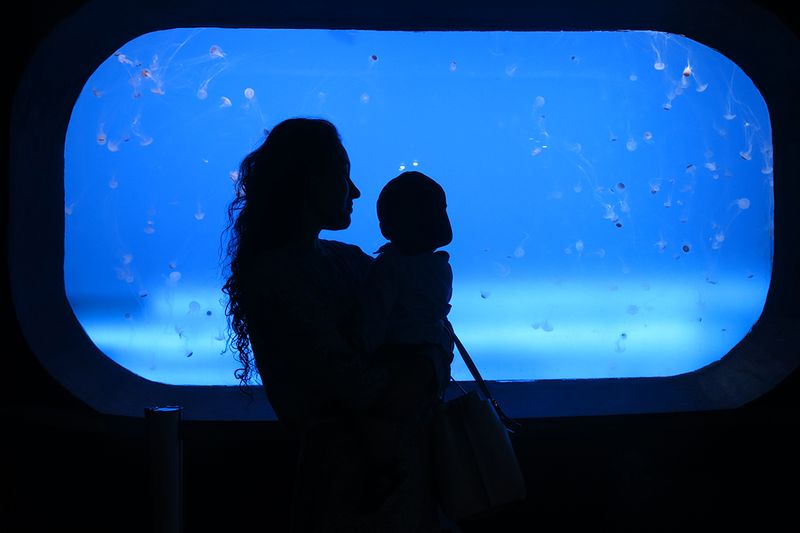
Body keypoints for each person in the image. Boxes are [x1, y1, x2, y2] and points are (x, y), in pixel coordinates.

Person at [221, 117, 456, 531]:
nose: (356, 192)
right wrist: (428, 362)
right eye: (343, 175)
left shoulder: (345, 259)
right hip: (350, 493)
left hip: (387, 477)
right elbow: (366, 388)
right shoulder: (279, 277)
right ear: (309, 181)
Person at [351, 170, 457, 515]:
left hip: (396, 360)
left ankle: (386, 481)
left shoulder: (390, 268)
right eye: (439, 210)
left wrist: (361, 351)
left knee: (387, 429)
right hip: (429, 359)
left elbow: (375, 317)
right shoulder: (438, 267)